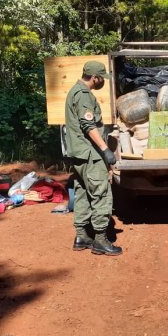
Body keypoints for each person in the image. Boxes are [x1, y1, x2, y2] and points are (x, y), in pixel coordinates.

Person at [65, 61, 122, 256]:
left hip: (79, 155)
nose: (101, 82)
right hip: (90, 155)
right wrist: (105, 149)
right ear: (95, 77)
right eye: (101, 79)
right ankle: (100, 239)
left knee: (82, 193)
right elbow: (88, 125)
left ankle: (82, 236)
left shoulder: (75, 91)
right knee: (101, 193)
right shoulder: (83, 95)